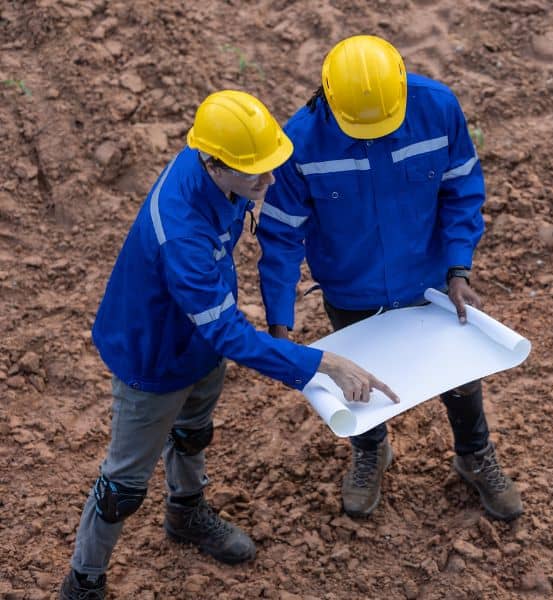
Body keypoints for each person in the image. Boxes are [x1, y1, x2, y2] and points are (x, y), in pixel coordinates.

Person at [59, 90, 398, 600]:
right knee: (124, 484)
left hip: (199, 340)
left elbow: (217, 326)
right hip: (152, 357)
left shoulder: (222, 169)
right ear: (213, 163)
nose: (269, 181)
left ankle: (186, 511)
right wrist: (320, 361)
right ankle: (83, 581)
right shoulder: (181, 232)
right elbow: (228, 332)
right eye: (256, 173)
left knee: (194, 433)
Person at [257, 35, 523, 522]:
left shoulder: (438, 109)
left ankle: (473, 453)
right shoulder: (299, 144)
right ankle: (371, 450)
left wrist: (458, 267)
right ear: (329, 100)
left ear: (402, 90)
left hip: (429, 283)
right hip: (350, 290)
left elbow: (462, 189)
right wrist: (280, 319)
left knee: (458, 375)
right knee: (357, 379)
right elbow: (280, 237)